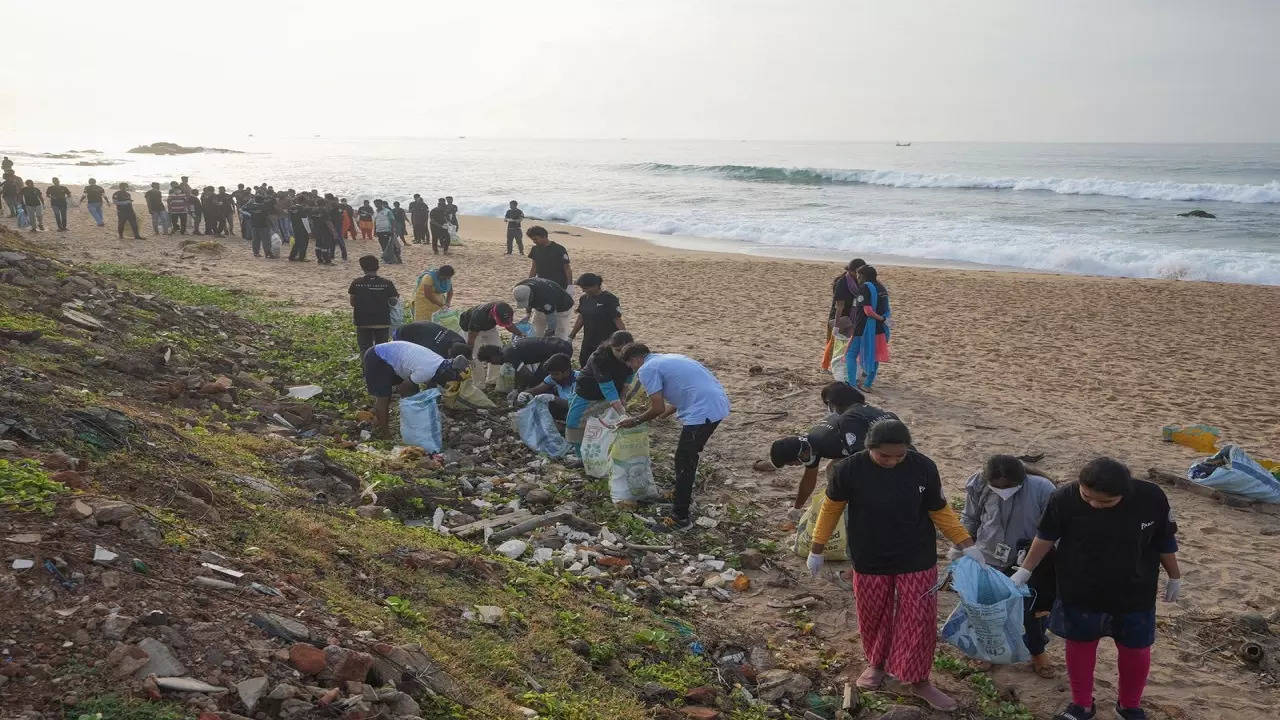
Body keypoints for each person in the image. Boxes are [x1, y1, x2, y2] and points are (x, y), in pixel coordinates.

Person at [806, 419, 978, 711]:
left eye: (900, 455)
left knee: (920, 618)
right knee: (874, 614)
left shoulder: (923, 467)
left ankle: (919, 680)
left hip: (916, 553)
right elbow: (831, 508)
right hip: (870, 553)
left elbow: (938, 509)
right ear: (869, 448)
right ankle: (877, 664)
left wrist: (966, 543)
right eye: (884, 455)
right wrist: (817, 548)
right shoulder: (849, 470)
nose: (892, 461)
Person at [1011, 458, 1181, 720]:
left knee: (1136, 651)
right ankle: (1081, 705)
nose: (1093, 504)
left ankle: (1129, 706)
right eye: (1087, 496)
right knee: (1080, 647)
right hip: (1079, 590)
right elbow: (1045, 536)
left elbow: (1164, 539)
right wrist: (1025, 569)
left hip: (1135, 591)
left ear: (1124, 493)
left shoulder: (1151, 497)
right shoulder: (1064, 498)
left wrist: (1174, 576)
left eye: (1104, 502)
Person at [957, 455, 1057, 678]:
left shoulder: (1042, 488)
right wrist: (962, 548)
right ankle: (987, 651)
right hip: (988, 555)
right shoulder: (978, 484)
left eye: (1009, 487)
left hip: (1029, 559)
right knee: (987, 607)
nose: (1003, 491)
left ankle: (1038, 651)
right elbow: (970, 517)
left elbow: (1053, 527)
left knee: (1032, 611)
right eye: (997, 487)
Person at [618, 344, 731, 530]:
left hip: (703, 411)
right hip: (717, 402)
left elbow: (657, 407)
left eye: (630, 364)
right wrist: (661, 416)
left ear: (636, 359)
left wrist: (636, 420)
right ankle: (680, 493)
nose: (632, 368)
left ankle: (680, 517)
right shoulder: (666, 358)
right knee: (686, 457)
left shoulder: (647, 369)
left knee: (684, 460)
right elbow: (682, 391)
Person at [769, 382, 897, 518]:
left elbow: (861, 456)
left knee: (845, 475)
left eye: (792, 463)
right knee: (833, 470)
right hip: (876, 435)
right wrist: (797, 508)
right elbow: (809, 480)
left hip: (876, 442)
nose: (795, 465)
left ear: (799, 455)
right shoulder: (811, 443)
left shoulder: (826, 441)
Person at [363, 340, 468, 436]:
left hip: (396, 359)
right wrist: (411, 407)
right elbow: (402, 388)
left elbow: (430, 388)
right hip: (378, 357)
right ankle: (385, 434)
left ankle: (373, 415)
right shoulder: (428, 370)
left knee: (412, 393)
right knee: (384, 397)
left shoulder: (439, 362)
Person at [565, 331, 635, 451]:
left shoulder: (632, 355)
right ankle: (582, 457)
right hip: (588, 392)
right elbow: (608, 388)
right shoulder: (600, 358)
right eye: (617, 350)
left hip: (614, 393)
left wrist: (623, 396)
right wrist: (622, 413)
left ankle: (604, 451)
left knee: (606, 424)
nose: (621, 354)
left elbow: (629, 376)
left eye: (624, 350)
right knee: (574, 424)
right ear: (610, 346)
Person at [842, 265, 891, 390]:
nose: (857, 278)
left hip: (864, 328)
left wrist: (880, 318)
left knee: (850, 355)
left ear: (863, 276)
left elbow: (868, 311)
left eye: (858, 276)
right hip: (879, 329)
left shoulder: (864, 288)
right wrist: (884, 320)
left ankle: (851, 384)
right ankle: (867, 384)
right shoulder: (882, 288)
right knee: (875, 355)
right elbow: (886, 309)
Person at [459, 301, 524, 386]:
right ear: (493, 315)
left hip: (489, 327)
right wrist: (469, 354)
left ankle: (493, 379)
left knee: (498, 350)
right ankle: (479, 384)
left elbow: (509, 325)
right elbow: (471, 340)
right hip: (469, 328)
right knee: (475, 356)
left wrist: (520, 334)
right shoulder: (478, 317)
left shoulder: (505, 310)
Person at [568, 273, 625, 368]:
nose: (583, 290)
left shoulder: (609, 299)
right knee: (585, 364)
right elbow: (581, 318)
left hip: (606, 341)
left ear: (595, 286)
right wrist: (571, 336)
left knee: (605, 367)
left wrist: (624, 339)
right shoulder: (584, 298)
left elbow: (617, 320)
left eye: (586, 288)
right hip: (588, 340)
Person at [349, 255, 399, 353]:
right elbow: (393, 302)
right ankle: (380, 368)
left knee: (365, 350)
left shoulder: (356, 283)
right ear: (378, 267)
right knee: (382, 351)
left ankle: (367, 368)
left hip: (362, 322)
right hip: (382, 321)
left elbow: (352, 303)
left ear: (362, 268)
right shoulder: (387, 283)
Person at [824, 259, 865, 369]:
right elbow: (839, 306)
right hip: (839, 317)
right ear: (852, 271)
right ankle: (825, 366)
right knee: (834, 342)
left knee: (847, 344)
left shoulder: (860, 282)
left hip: (852, 317)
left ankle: (843, 366)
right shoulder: (842, 283)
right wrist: (836, 326)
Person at [514, 353, 577, 423]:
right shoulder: (554, 378)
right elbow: (539, 388)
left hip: (578, 413)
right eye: (551, 374)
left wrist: (553, 398)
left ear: (567, 371)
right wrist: (525, 393)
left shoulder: (579, 381)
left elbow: (575, 406)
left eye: (556, 374)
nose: (553, 377)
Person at [500, 336, 575, 389]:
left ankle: (564, 391)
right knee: (543, 377)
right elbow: (519, 371)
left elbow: (527, 374)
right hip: (556, 345)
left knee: (540, 380)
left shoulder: (508, 355)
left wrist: (527, 390)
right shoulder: (507, 349)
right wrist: (516, 389)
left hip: (559, 349)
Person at [393, 321, 468, 357]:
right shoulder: (435, 349)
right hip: (402, 334)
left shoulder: (460, 340)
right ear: (449, 351)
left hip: (424, 327)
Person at [287, 196, 312, 261]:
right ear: (303, 201)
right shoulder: (302, 209)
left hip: (295, 226)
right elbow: (305, 221)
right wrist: (309, 231)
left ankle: (292, 256)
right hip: (302, 228)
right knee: (304, 243)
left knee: (297, 242)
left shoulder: (291, 208)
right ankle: (302, 257)